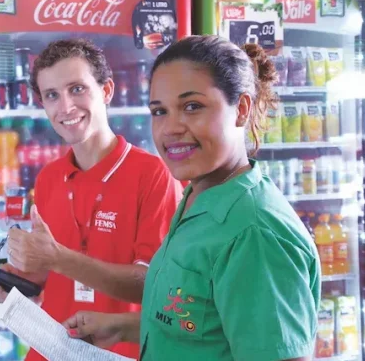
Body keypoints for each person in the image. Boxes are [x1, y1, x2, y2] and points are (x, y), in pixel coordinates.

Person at [62, 35, 321, 361]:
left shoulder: (254, 234)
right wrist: (124, 327)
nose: (171, 128)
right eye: (159, 111)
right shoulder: (199, 196)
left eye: (192, 107)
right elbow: (205, 321)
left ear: (241, 110)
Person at [0, 38, 182, 360]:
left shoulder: (154, 175)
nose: (66, 107)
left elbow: (155, 287)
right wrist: (17, 281)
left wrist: (57, 257)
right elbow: (52, 275)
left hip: (119, 352)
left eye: (77, 89)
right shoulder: (49, 177)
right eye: (52, 95)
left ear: (106, 91)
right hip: (50, 347)